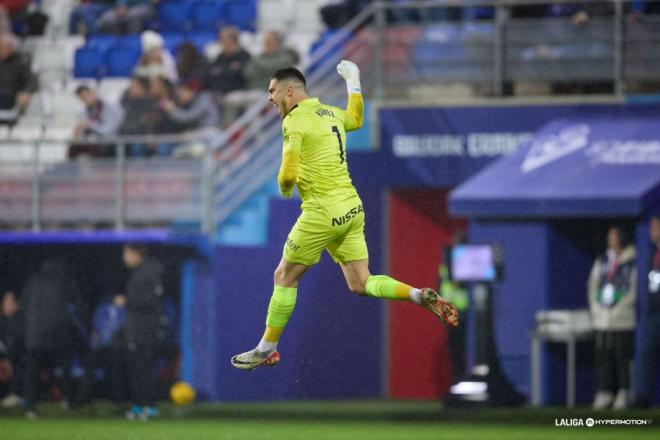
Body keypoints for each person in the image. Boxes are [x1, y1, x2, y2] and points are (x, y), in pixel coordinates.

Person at [231, 62, 459, 371]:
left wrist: (284, 187)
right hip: (352, 208)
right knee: (361, 282)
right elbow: (356, 118)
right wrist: (353, 82)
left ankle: (266, 349)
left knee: (284, 276)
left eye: (272, 91)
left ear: (289, 90)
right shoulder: (331, 114)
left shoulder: (294, 121)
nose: (270, 98)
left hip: (322, 211)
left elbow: (287, 172)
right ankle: (418, 295)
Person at [22, 259, 82, 418]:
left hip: (35, 334)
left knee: (33, 371)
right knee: (64, 368)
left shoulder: (33, 280)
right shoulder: (66, 280)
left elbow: (25, 305)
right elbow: (76, 305)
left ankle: (29, 407)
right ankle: (68, 401)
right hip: (59, 333)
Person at [588, 225, 636, 410]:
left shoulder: (632, 261)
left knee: (622, 357)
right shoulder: (602, 261)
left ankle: (624, 392)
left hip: (623, 319)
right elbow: (592, 286)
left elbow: (633, 290)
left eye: (615, 235)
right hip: (602, 318)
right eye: (609, 235)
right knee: (603, 357)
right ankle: (604, 391)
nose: (611, 239)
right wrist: (598, 309)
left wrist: (617, 310)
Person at [118, 244, 165, 421]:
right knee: (137, 370)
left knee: (144, 370)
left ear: (137, 254)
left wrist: (127, 300)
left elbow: (151, 301)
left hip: (144, 331)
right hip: (136, 330)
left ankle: (149, 406)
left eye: (127, 253)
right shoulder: (140, 273)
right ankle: (139, 405)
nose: (125, 258)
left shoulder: (148, 273)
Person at [439, 232, 470, 384]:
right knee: (455, 349)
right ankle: (458, 381)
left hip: (464, 313)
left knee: (462, 349)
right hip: (451, 312)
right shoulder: (447, 263)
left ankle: (462, 380)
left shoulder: (465, 263)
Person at [636, 216, 660, 407]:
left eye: (654, 227)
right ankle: (644, 397)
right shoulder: (653, 252)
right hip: (654, 310)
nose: (651, 231)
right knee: (647, 352)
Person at [71, 85, 124, 157]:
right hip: (96, 139)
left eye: (85, 96)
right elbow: (86, 126)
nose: (84, 100)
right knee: (74, 147)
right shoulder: (86, 109)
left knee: (95, 147)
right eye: (81, 98)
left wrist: (90, 125)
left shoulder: (110, 106)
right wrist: (79, 131)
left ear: (92, 93)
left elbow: (110, 130)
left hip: (111, 140)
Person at [0, 32, 36, 124]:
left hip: (11, 94)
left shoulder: (20, 61)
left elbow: (31, 80)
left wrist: (26, 91)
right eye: (3, 46)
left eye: (8, 46)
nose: (5, 49)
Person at [0, 290, 24, 408]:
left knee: (19, 363)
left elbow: (19, 346)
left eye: (9, 302)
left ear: (17, 305)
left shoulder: (22, 322)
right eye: (4, 302)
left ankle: (15, 395)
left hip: (15, 359)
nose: (5, 305)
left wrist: (8, 360)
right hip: (3, 359)